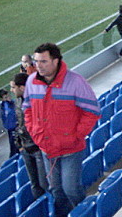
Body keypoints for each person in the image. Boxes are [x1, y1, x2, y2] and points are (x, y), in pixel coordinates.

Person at [24, 43, 100, 217]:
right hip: (47, 150)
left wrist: (75, 135)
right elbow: (27, 109)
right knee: (55, 190)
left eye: (43, 61)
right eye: (36, 61)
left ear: (56, 61)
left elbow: (92, 111)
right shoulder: (31, 81)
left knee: (71, 189)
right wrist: (35, 133)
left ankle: (84, 213)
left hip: (71, 149)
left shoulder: (75, 82)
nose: (38, 66)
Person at [11, 72, 48, 200]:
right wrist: (19, 145)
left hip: (39, 149)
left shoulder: (37, 100)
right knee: (34, 184)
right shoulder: (17, 102)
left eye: (13, 87)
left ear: (21, 87)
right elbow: (19, 123)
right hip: (26, 148)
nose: (11, 90)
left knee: (45, 183)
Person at [0, 89, 18, 158]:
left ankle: (13, 156)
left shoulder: (13, 103)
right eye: (5, 97)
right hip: (8, 127)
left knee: (14, 142)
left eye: (8, 96)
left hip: (15, 125)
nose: (8, 98)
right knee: (12, 142)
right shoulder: (1, 105)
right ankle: (14, 155)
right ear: (2, 99)